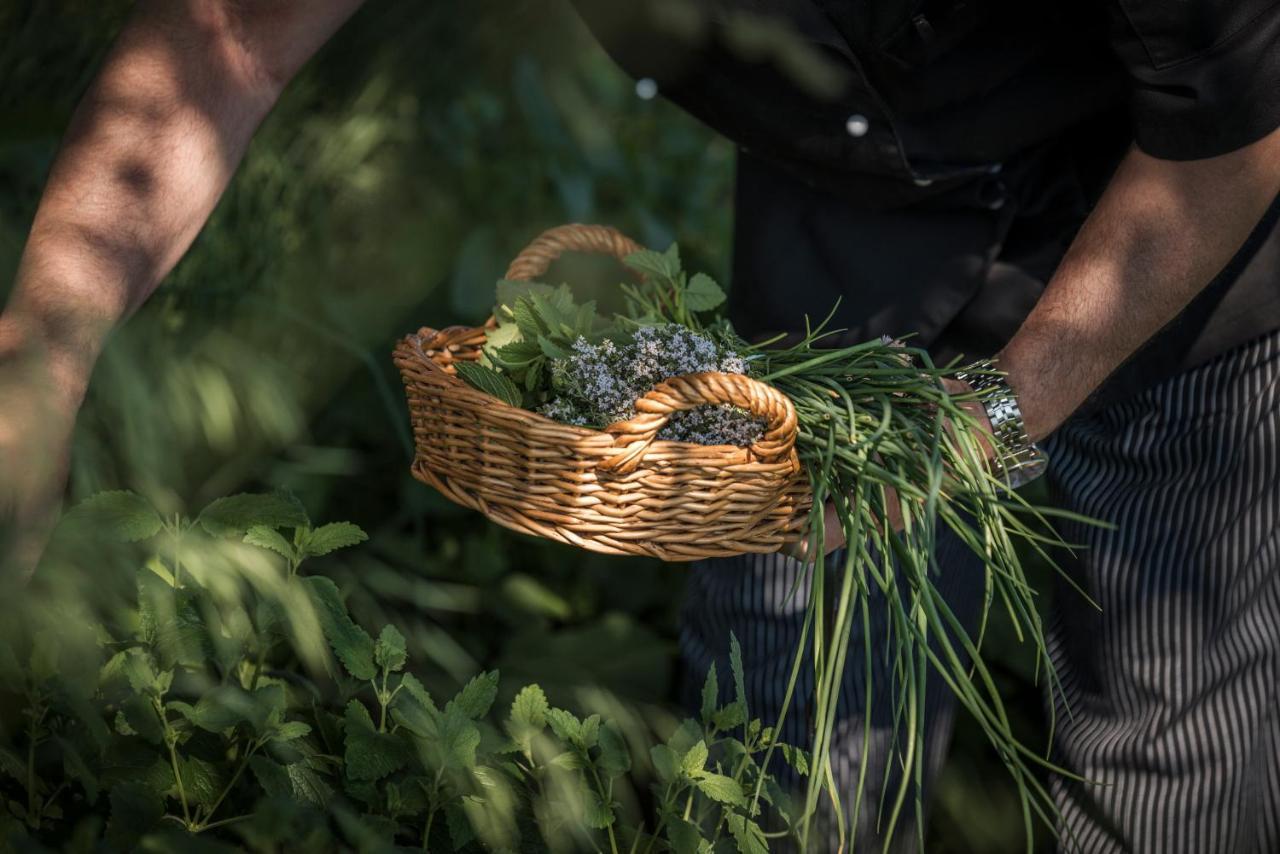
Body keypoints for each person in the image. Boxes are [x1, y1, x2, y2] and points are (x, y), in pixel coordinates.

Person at [1, 1, 1277, 850]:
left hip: (1168, 230)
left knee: (1173, 748)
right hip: (843, 217)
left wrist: (1002, 405)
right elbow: (228, 36)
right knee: (781, 746)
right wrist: (39, 365)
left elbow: (1224, 143)